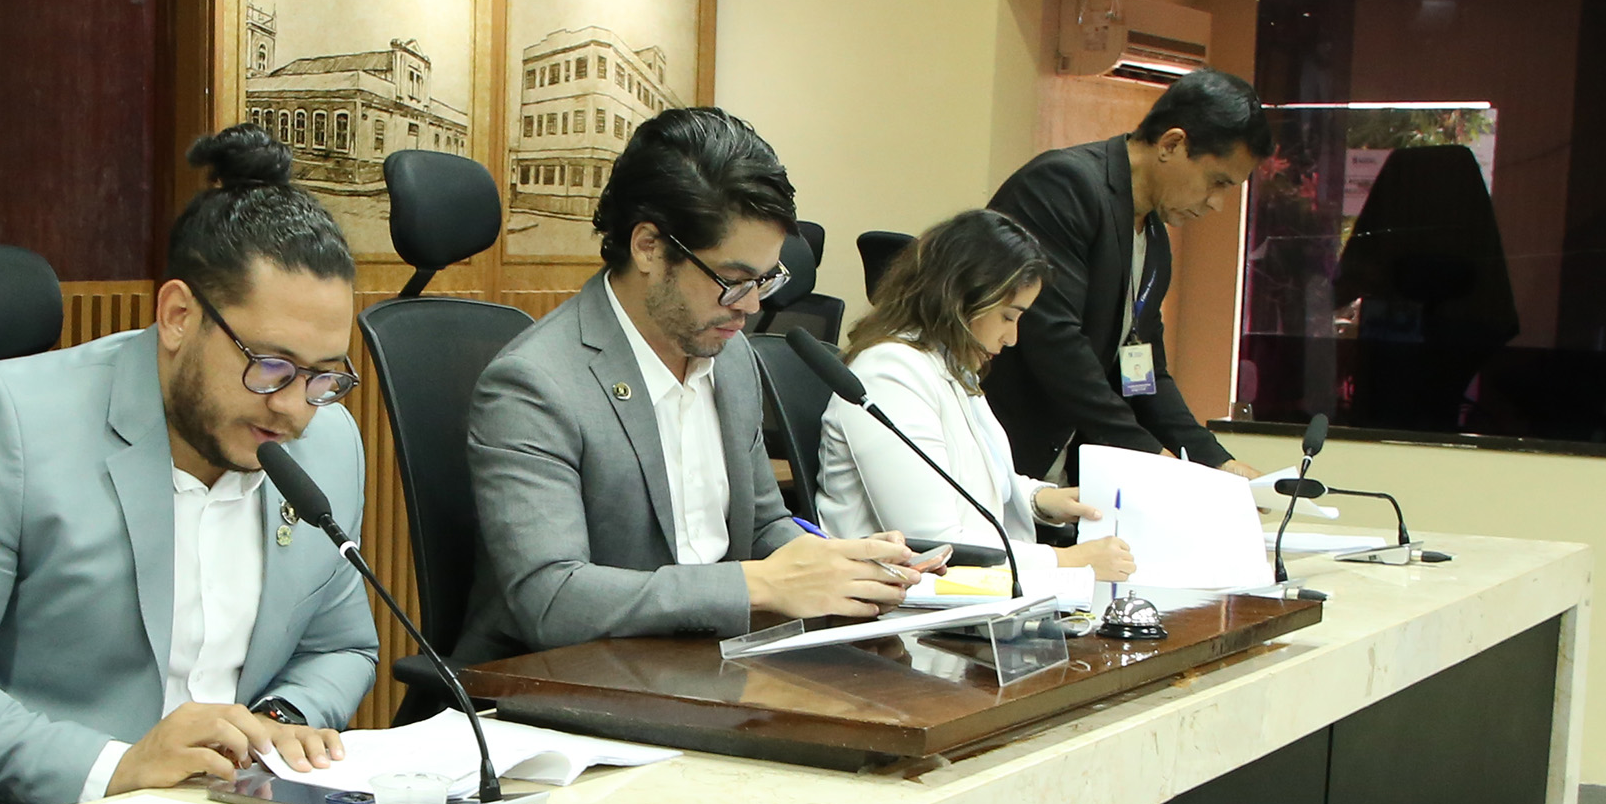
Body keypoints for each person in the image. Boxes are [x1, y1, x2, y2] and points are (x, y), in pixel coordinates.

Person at [0, 127, 381, 804]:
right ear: (178, 316)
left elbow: (342, 647)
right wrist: (115, 768)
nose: (293, 407)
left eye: (323, 376)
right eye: (271, 366)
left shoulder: (326, 440)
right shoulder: (7, 420)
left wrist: (273, 723)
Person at [454, 106, 924, 662]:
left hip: (713, 662)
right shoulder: (535, 384)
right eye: (734, 280)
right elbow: (552, 599)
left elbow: (764, 525)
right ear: (649, 247)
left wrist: (845, 568)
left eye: (766, 280)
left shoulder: (731, 358)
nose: (751, 306)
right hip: (569, 678)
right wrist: (757, 585)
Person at [813, 209, 1137, 580]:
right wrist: (1067, 561)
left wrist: (1040, 500)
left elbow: (966, 481)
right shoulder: (890, 373)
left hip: (962, 588)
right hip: (899, 597)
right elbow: (932, 541)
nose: (1012, 338)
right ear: (962, 299)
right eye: (1008, 317)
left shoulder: (949, 364)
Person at [983, 69, 1269, 484]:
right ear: (1172, 144)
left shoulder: (1153, 237)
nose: (1217, 203)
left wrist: (1215, 462)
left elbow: (1144, 372)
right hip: (998, 461)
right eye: (1217, 182)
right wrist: (1150, 455)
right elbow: (1055, 343)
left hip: (1065, 479)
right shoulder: (1063, 186)